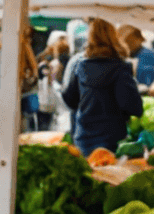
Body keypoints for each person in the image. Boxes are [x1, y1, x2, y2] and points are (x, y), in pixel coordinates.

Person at [62, 18, 147, 156]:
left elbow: (70, 100)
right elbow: (133, 107)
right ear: (114, 36)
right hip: (112, 142)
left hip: (82, 140)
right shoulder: (120, 68)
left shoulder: (79, 65)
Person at [120, 26, 154, 92]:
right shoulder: (122, 56)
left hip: (142, 90)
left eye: (131, 41)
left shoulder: (149, 55)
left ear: (138, 40)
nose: (129, 44)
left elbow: (148, 79)